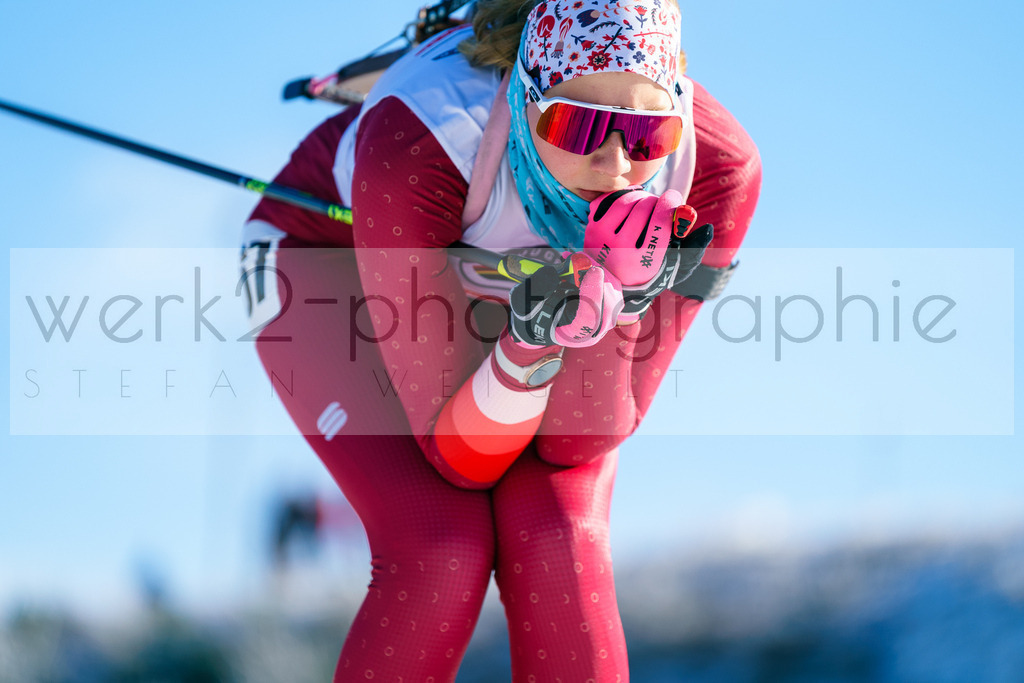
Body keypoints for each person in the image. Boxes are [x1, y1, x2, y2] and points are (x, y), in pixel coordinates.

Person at [240, 0, 761, 679]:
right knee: (439, 547)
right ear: (524, 95)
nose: (614, 164)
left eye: (647, 134)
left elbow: (579, 441)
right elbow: (462, 460)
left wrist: (623, 301)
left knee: (559, 535)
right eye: (577, 124)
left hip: (487, 277)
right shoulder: (425, 137)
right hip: (325, 265)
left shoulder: (714, 169)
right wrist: (529, 347)